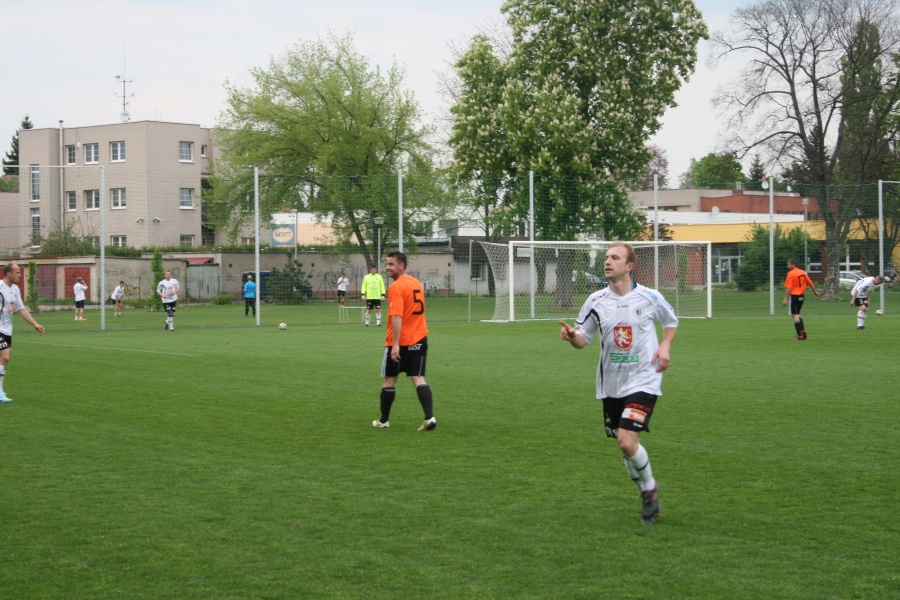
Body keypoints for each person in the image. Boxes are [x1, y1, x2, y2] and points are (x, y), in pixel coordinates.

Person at [559, 243, 678, 525]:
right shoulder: (596, 300)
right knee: (626, 445)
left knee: (626, 441)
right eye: (606, 257)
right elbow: (583, 340)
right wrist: (572, 337)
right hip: (611, 384)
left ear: (629, 266)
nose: (608, 262)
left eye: (615, 257)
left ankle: (649, 490)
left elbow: (670, 322)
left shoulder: (650, 297)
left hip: (645, 378)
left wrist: (665, 346)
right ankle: (647, 492)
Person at [372, 252, 436, 432]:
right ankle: (429, 417)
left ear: (401, 266)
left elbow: (397, 316)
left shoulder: (396, 287)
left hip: (401, 342)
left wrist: (395, 344)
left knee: (389, 381)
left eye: (391, 264)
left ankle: (384, 421)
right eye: (386, 264)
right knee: (419, 378)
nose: (387, 267)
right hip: (420, 338)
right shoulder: (416, 283)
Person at [0, 263, 45, 403]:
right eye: (17, 272)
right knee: (5, 357)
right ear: (9, 274)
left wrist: (35, 323)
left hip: (7, 330)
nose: (20, 275)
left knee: (3, 360)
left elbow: (21, 309)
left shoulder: (15, 289)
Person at [782, 259, 819, 340]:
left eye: (789, 265)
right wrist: (815, 291)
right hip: (802, 296)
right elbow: (810, 283)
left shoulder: (791, 273)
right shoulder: (803, 272)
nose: (787, 266)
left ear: (793, 264)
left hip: (794, 296)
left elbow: (788, 287)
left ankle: (799, 335)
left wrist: (785, 299)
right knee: (798, 313)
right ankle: (803, 330)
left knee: (794, 315)